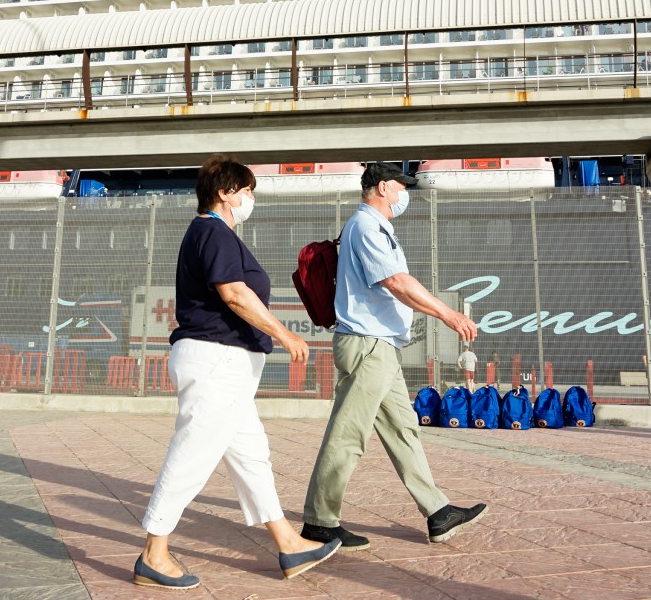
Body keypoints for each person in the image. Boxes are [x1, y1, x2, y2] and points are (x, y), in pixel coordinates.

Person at [136, 155, 339, 590]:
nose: (250, 199)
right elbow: (234, 293)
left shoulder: (213, 234)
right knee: (192, 454)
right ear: (226, 193)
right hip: (216, 361)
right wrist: (284, 334)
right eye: (246, 192)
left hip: (227, 364)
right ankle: (154, 553)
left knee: (251, 455)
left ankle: (288, 543)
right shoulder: (213, 231)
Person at [302, 162, 486, 550]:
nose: (405, 195)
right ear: (383, 187)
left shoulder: (374, 227)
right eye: (402, 187)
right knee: (349, 433)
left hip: (380, 345)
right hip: (367, 345)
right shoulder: (367, 226)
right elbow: (397, 283)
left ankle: (438, 512)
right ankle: (319, 521)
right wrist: (448, 314)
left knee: (404, 429)